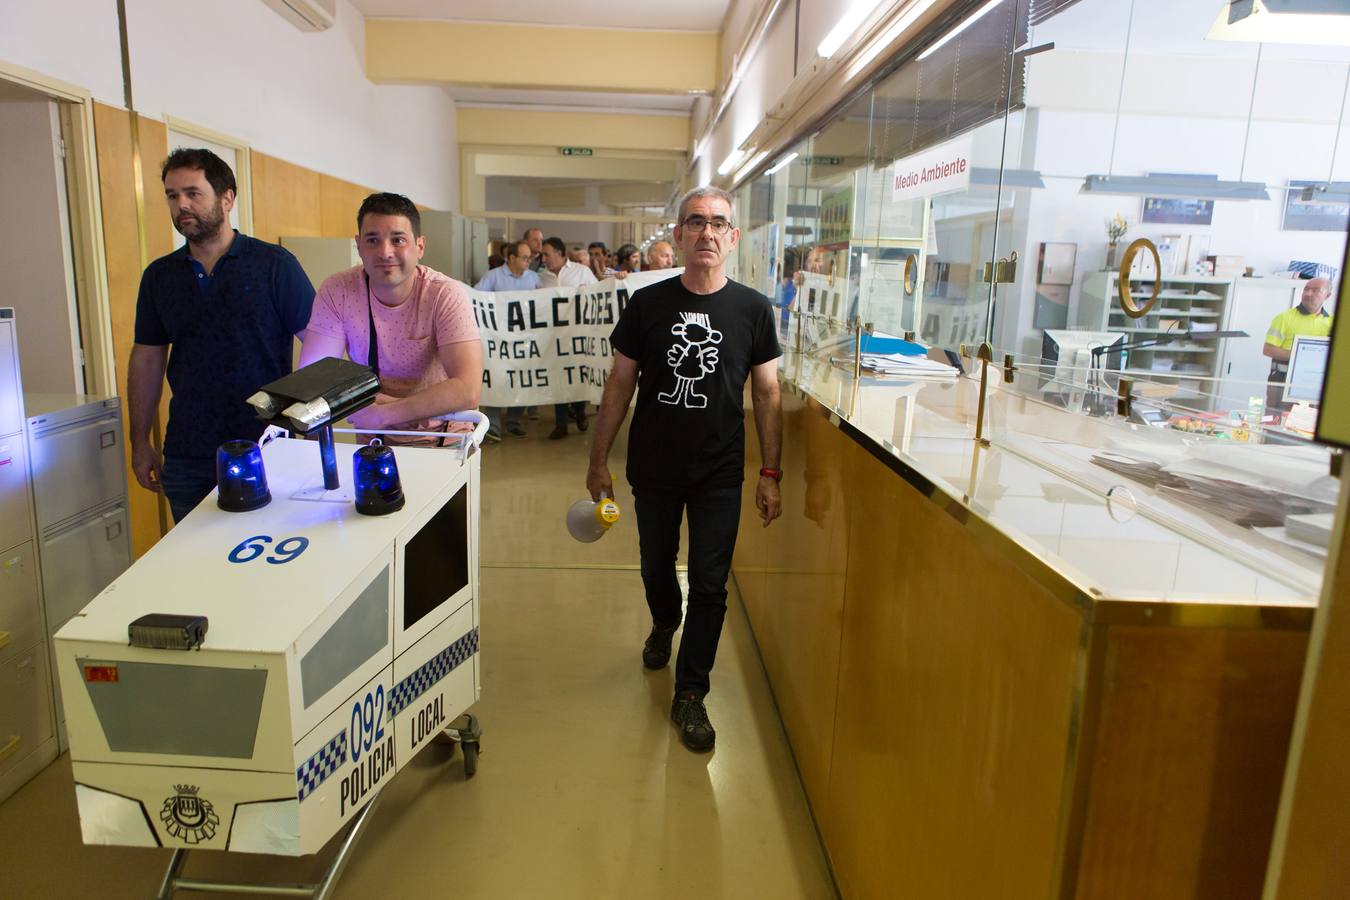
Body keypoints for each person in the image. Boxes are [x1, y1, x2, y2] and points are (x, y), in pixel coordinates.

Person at [585, 186, 783, 752]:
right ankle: (664, 621)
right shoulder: (647, 305)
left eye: (718, 223)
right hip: (654, 468)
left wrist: (770, 474)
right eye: (695, 222)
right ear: (678, 235)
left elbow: (767, 394)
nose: (707, 233)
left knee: (713, 585)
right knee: (655, 565)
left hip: (721, 472)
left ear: (733, 237)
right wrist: (599, 460)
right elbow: (620, 383)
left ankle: (691, 691)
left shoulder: (752, 309)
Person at [129, 148, 314, 523]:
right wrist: (139, 440)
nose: (181, 205)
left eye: (193, 193)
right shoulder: (160, 277)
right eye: (172, 195)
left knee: (268, 560)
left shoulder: (274, 265)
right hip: (188, 454)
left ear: (227, 198)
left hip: (267, 448)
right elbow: (147, 358)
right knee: (195, 567)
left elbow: (317, 345)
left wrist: (305, 427)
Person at [299, 192, 482, 445]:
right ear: (358, 245)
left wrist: (386, 412)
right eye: (372, 240)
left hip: (443, 436)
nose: (385, 252)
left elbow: (467, 389)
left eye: (398, 240)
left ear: (420, 246)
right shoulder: (338, 290)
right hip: (373, 437)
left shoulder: (444, 294)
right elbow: (314, 377)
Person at [475, 241, 539, 439]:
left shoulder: (534, 278)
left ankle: (513, 420)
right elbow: (475, 296)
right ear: (511, 258)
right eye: (524, 257)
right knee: (497, 377)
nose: (529, 261)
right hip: (498, 338)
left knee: (519, 379)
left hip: (524, 338)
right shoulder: (493, 276)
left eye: (530, 258)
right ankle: (492, 424)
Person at [538, 236, 596, 438]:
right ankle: (561, 423)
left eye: (547, 254)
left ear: (560, 253)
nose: (543, 258)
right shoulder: (540, 278)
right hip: (552, 337)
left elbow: (598, 295)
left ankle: (579, 412)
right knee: (557, 378)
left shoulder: (582, 272)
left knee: (577, 375)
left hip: (577, 336)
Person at [1262, 276, 1334, 413]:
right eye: (1306, 289)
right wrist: (1298, 355)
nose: (1308, 294)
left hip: (1315, 384)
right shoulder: (1284, 318)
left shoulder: (1332, 322)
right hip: (1282, 382)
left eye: (1316, 290)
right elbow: (1268, 349)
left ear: (1327, 295)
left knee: (1306, 426)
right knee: (1273, 421)